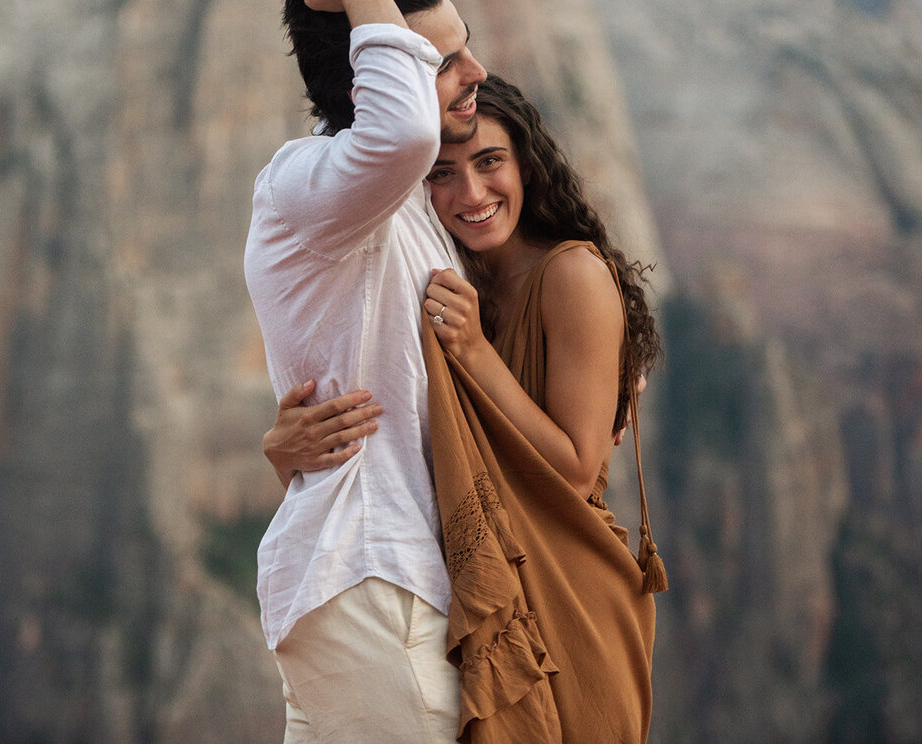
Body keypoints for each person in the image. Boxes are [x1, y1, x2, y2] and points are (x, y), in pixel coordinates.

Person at [266, 74, 666, 742]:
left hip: (569, 598)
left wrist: (477, 351)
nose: (471, 195)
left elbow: (571, 468)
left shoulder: (571, 273)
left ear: (527, 167)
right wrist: (282, 450)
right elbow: (404, 448)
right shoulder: (444, 276)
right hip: (473, 599)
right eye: (442, 174)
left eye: (490, 163)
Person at [243, 0, 486, 741]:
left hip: (387, 583)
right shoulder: (303, 181)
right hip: (373, 580)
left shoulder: (403, 195)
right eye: (443, 60)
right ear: (374, 78)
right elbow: (402, 132)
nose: (474, 70)